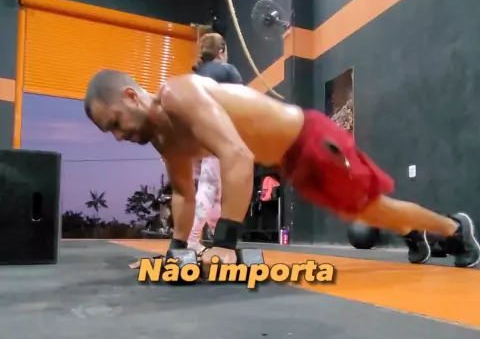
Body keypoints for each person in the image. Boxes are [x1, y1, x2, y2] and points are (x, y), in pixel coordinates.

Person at [83, 69, 480, 269]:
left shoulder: (177, 95)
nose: (118, 136)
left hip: (308, 138)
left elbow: (236, 155)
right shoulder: (162, 138)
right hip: (289, 159)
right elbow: (184, 192)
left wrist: (224, 245)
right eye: (109, 132)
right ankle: (414, 232)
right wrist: (177, 250)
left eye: (116, 122)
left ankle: (454, 229)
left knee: (372, 208)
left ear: (132, 96)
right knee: (367, 210)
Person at [187, 32, 244, 254]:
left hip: (194, 137)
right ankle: (192, 240)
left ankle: (215, 235)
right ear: (221, 51)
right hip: (215, 133)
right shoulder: (228, 70)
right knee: (209, 186)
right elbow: (242, 103)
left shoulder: (196, 75)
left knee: (215, 189)